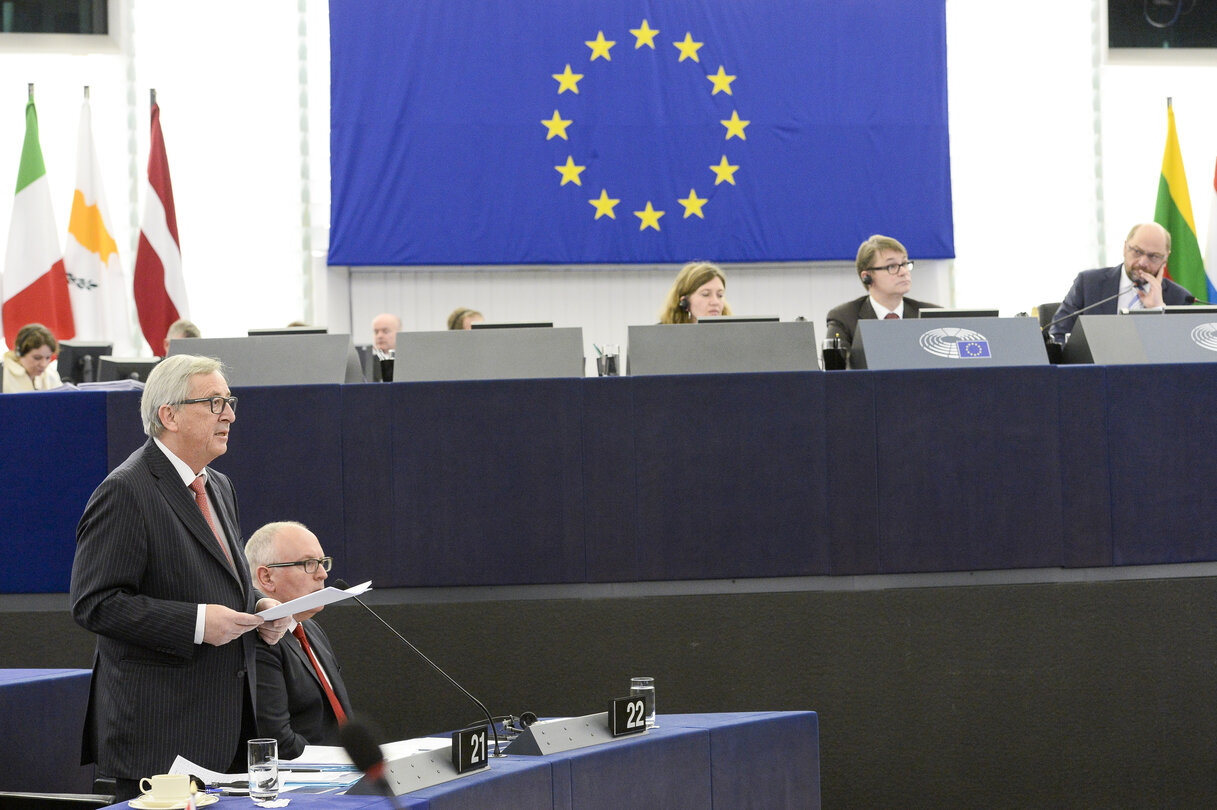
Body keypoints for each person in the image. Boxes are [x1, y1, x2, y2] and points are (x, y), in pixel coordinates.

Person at [70, 354, 289, 800]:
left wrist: (258, 609)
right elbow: (95, 603)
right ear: (168, 414)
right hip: (159, 738)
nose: (228, 414)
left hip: (224, 729)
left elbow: (219, 579)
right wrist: (197, 624)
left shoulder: (218, 486)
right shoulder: (126, 490)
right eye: (212, 402)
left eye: (229, 401)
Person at [245, 521, 352, 759]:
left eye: (323, 563)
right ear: (266, 577)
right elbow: (278, 742)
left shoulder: (311, 629)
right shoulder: (262, 637)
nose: (323, 574)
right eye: (309, 564)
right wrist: (343, 763)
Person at [1048, 222, 1193, 341]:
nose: (1142, 262)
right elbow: (1057, 334)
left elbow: (1182, 352)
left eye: (1153, 256)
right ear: (1125, 248)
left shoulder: (1181, 298)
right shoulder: (1088, 284)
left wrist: (1158, 309)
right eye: (1137, 251)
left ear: (1165, 258)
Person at [825, 234, 939, 350]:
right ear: (867, 277)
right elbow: (836, 366)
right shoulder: (844, 318)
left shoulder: (933, 316)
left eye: (904, 263)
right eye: (892, 266)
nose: (903, 272)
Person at [658, 261, 734, 323]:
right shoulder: (660, 336)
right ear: (684, 302)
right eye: (706, 294)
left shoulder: (734, 335)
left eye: (720, 295)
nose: (715, 302)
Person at [2, 322, 62, 392]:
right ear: (19, 353)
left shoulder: (50, 375)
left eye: (48, 358)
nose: (44, 364)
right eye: (37, 358)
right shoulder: (3, 375)